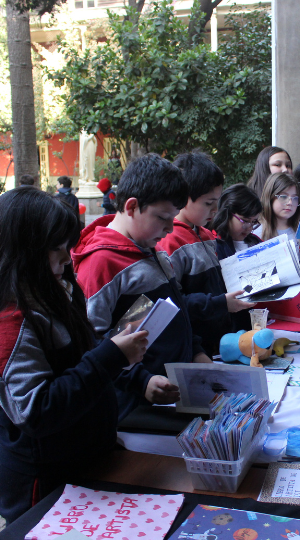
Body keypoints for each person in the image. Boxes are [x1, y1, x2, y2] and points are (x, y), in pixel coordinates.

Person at [0, 187, 148, 525]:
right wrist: (110, 357)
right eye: (57, 247)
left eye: (68, 246)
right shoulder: (5, 322)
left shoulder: (52, 290)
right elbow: (36, 412)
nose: (67, 258)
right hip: (41, 482)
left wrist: (124, 363)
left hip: (80, 465)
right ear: (22, 250)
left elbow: (82, 356)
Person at [72, 153, 209, 422]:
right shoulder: (100, 262)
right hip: (133, 407)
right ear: (132, 207)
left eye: (173, 218)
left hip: (171, 394)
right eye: (162, 217)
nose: (170, 228)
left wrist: (196, 351)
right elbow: (90, 342)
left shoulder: (152, 249)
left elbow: (176, 310)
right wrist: (140, 381)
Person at [158, 151, 255, 355]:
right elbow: (173, 303)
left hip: (221, 343)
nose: (215, 210)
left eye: (217, 202)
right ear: (183, 198)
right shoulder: (170, 241)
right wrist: (220, 304)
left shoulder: (207, 235)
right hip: (197, 349)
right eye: (208, 203)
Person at [212, 183, 263, 259]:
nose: (249, 228)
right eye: (245, 221)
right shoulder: (214, 245)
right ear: (227, 214)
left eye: (253, 222)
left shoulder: (256, 242)